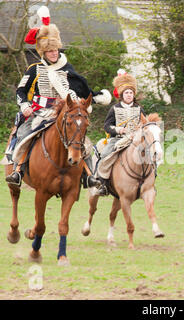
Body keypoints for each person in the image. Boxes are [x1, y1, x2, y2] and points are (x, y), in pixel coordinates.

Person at [5, 5, 111, 187]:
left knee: (82, 139)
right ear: (43, 52)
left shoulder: (67, 69)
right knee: (24, 133)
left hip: (63, 111)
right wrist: (24, 106)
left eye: (56, 50)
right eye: (50, 51)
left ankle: (89, 175)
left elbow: (81, 87)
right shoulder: (34, 69)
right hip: (39, 111)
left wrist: (94, 96)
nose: (54, 53)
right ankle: (17, 171)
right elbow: (20, 91)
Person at [94, 69, 146, 196]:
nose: (129, 95)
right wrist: (118, 129)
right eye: (126, 93)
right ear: (122, 95)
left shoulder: (139, 109)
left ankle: (148, 182)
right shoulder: (114, 109)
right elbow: (106, 126)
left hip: (135, 139)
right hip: (117, 139)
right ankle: (103, 183)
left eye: (131, 93)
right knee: (105, 155)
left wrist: (141, 127)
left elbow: (146, 123)